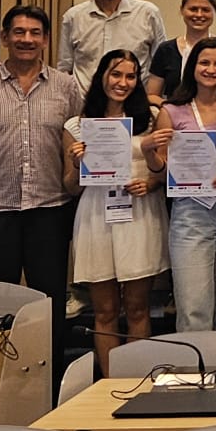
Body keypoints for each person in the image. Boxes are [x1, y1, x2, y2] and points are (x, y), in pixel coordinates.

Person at [0, 5, 83, 319]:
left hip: (51, 213)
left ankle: (50, 370)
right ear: (5, 37)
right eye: (19, 32)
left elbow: (80, 146)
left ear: (46, 40)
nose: (27, 39)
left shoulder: (67, 88)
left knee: (49, 307)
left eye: (35, 33)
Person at [62, 50, 167, 373]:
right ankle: (109, 385)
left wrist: (149, 180)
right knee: (104, 311)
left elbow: (164, 173)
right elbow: (70, 187)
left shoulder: (151, 116)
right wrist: (79, 164)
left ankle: (136, 380)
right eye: (115, 74)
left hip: (139, 215)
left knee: (137, 309)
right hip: (97, 217)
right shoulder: (77, 125)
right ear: (102, 77)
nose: (122, 82)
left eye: (130, 75)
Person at [150, 37, 216, 331]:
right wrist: (150, 153)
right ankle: (193, 372)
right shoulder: (171, 111)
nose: (211, 69)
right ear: (192, 66)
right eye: (204, 62)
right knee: (192, 301)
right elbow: (161, 173)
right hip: (190, 206)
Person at [57, 0, 167, 90]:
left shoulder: (148, 13)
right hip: (86, 107)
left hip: (134, 107)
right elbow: (65, 68)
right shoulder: (73, 17)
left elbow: (161, 66)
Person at [147, 0, 216, 99]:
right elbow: (152, 95)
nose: (199, 15)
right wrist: (172, 109)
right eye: (193, 9)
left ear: (215, 11)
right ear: (182, 10)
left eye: (205, 10)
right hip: (176, 116)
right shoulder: (166, 50)